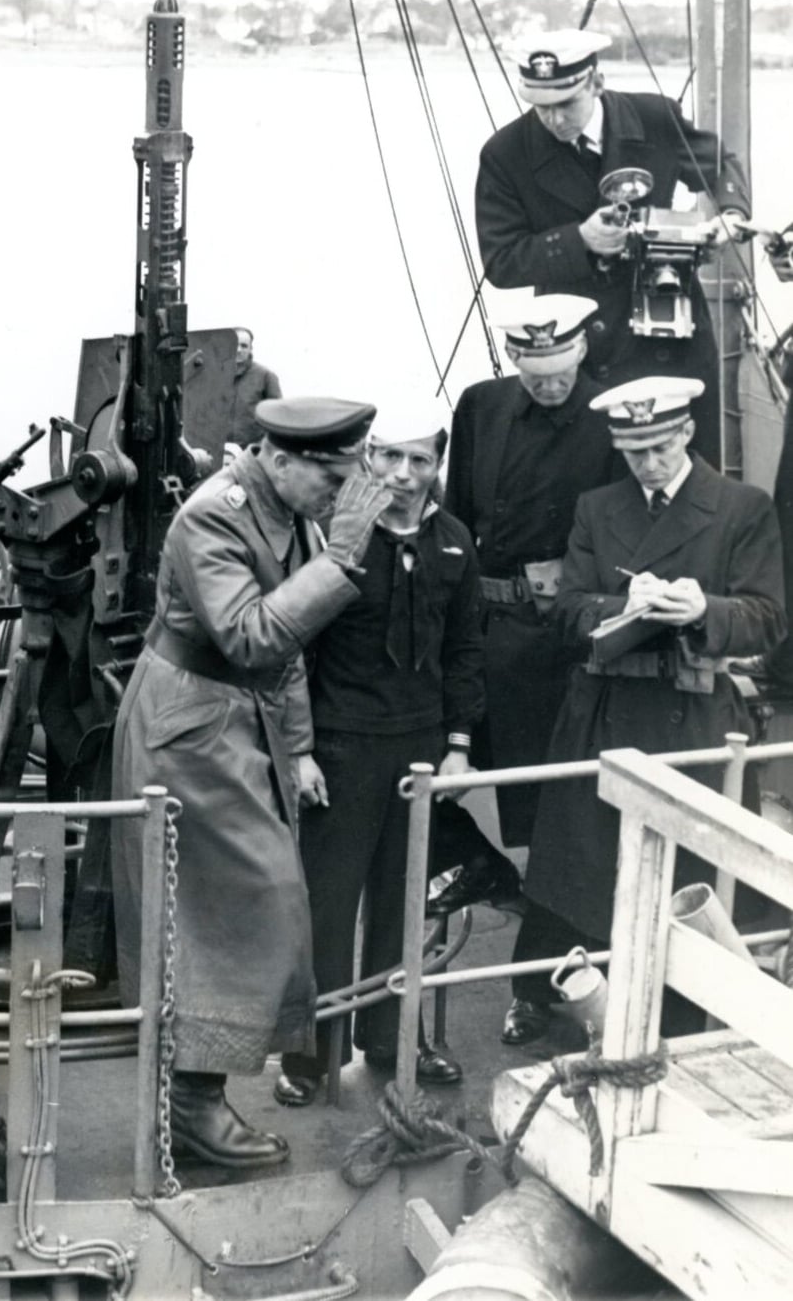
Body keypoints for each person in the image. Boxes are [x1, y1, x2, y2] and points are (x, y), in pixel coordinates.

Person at [111, 396, 390, 1169]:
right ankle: (191, 1104)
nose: (340, 496)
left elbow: (284, 652)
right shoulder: (215, 516)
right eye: (331, 478)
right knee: (233, 904)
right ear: (280, 458)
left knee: (236, 907)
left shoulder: (289, 511)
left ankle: (191, 1096)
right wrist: (339, 562)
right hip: (188, 726)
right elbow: (251, 633)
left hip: (233, 720)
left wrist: (297, 749)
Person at [512, 374, 786, 1042]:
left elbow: (768, 619)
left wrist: (703, 611)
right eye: (635, 452)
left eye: (661, 447)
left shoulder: (740, 508)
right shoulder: (596, 509)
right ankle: (561, 996)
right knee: (580, 868)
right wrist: (622, 608)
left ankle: (685, 1011)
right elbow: (570, 608)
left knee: (693, 871)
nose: (650, 464)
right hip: (602, 712)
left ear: (688, 432)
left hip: (692, 711)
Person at [275, 399, 520, 1107]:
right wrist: (301, 752)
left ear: (436, 464)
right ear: (368, 457)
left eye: (419, 460)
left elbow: (464, 650)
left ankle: (391, 1038)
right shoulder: (330, 535)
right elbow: (294, 651)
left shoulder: (454, 542)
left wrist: (458, 747)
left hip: (417, 749)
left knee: (403, 902)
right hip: (342, 746)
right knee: (326, 905)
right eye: (388, 457)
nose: (403, 474)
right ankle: (310, 1054)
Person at [475, 27, 750, 465]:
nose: (554, 121)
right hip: (576, 348)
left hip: (669, 330)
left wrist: (730, 216)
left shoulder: (654, 118)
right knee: (592, 479)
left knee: (687, 470)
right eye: (540, 107)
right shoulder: (505, 153)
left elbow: (721, 168)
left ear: (597, 83)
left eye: (566, 104)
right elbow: (501, 262)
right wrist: (578, 240)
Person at [444, 294, 618, 892]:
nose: (550, 386)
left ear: (582, 348)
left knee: (550, 812)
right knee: (425, 764)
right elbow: (457, 519)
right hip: (483, 630)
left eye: (561, 372)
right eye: (536, 375)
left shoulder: (611, 414)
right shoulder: (481, 406)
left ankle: (550, 945)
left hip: (556, 644)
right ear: (516, 357)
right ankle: (484, 871)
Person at [225, 327, 282, 447]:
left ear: (251, 349)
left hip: (252, 453)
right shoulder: (215, 376)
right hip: (219, 452)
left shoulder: (266, 376)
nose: (239, 350)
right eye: (235, 344)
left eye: (244, 346)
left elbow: (278, 419)